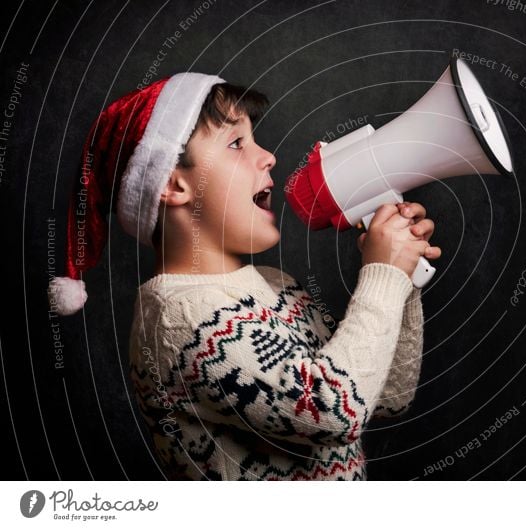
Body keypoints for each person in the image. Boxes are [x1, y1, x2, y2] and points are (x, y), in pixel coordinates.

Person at [48, 72, 441, 480]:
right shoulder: (177, 318)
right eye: (236, 143)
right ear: (172, 183)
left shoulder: (276, 284)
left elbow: (386, 395)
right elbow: (337, 413)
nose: (268, 156)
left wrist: (401, 278)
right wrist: (384, 273)